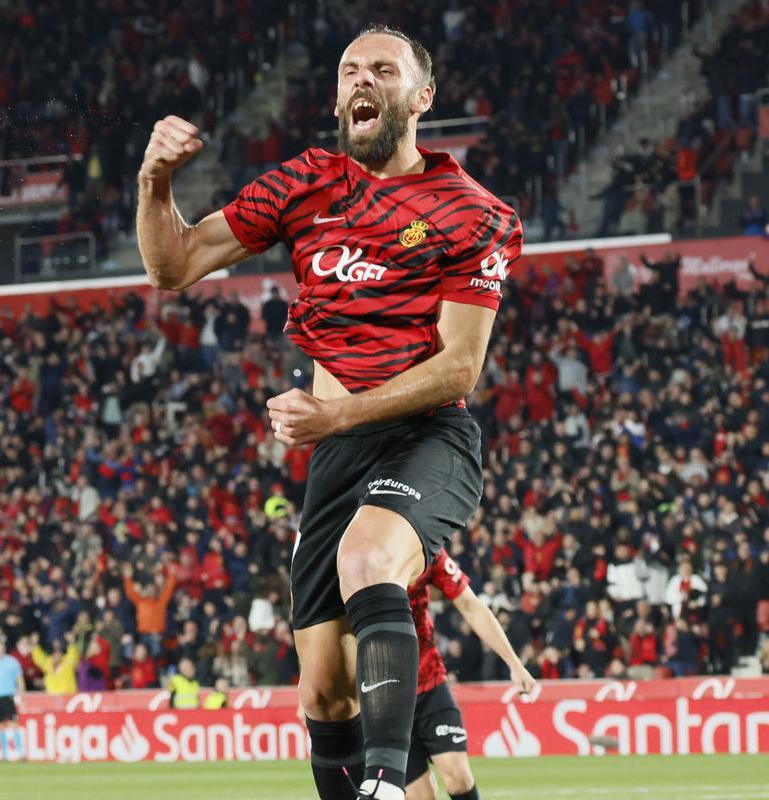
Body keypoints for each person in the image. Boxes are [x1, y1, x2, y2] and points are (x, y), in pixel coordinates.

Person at [136, 24, 522, 800]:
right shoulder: (304, 183)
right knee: (322, 694)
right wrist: (154, 185)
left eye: (383, 69)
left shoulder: (472, 212)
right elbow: (172, 266)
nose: (362, 81)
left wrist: (337, 417)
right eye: (350, 70)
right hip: (336, 455)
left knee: (366, 561)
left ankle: (385, 784)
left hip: (426, 438)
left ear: (422, 97)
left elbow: (460, 366)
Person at [403, 550, 536, 800]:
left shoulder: (427, 548)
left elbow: (470, 605)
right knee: (420, 796)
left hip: (430, 681)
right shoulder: (359, 555)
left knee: (459, 777)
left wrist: (514, 663)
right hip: (385, 694)